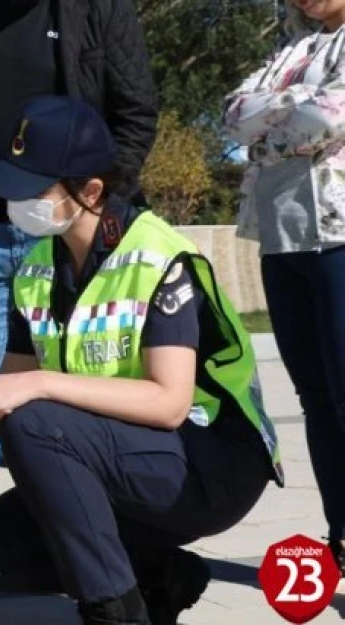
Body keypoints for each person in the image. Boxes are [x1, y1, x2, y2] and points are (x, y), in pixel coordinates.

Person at [0, 96, 282, 625]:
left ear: (91, 191)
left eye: (33, 188)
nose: (15, 203)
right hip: (129, 461)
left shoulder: (158, 257)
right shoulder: (38, 269)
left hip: (209, 465)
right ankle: (159, 576)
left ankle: (114, 611)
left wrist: (43, 383)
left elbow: (168, 404)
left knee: (38, 418)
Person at [0, 0, 158, 547]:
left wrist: (105, 200)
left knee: (82, 369)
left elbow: (136, 108)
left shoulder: (99, 8)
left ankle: (79, 514)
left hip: (71, 224)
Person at [222, 0, 345, 574]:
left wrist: (268, 134)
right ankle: (340, 536)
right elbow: (233, 113)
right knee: (317, 402)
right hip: (283, 238)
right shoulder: (292, 49)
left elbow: (328, 119)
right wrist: (290, 106)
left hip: (339, 235)